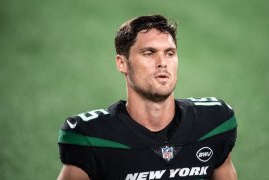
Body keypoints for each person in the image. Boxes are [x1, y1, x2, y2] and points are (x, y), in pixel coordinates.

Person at [57, 14, 238, 180]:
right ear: (122, 63)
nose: (162, 63)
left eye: (170, 53)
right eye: (149, 53)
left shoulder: (214, 124)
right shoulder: (92, 138)